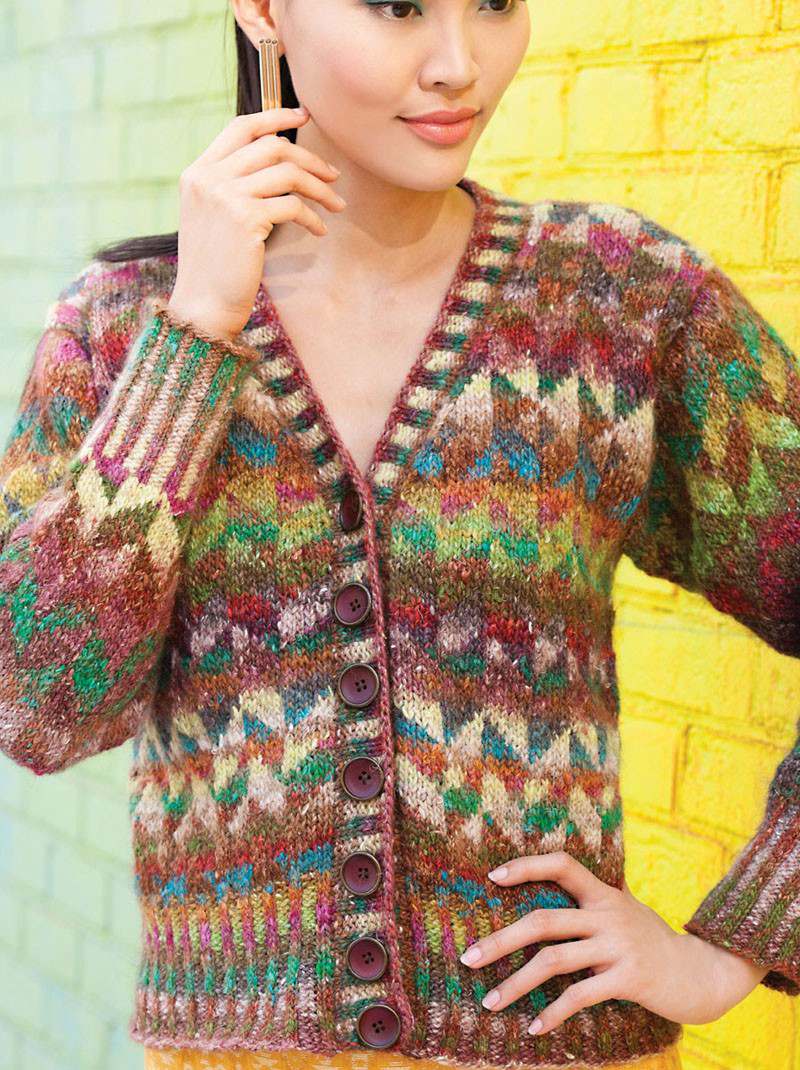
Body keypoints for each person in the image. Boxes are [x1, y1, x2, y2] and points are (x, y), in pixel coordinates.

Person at [0, 0, 797, 1068]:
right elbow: (40, 707)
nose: (458, 63)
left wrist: (736, 943)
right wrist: (192, 338)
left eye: (495, 3)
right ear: (264, 10)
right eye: (398, 6)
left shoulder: (612, 303)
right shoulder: (120, 323)